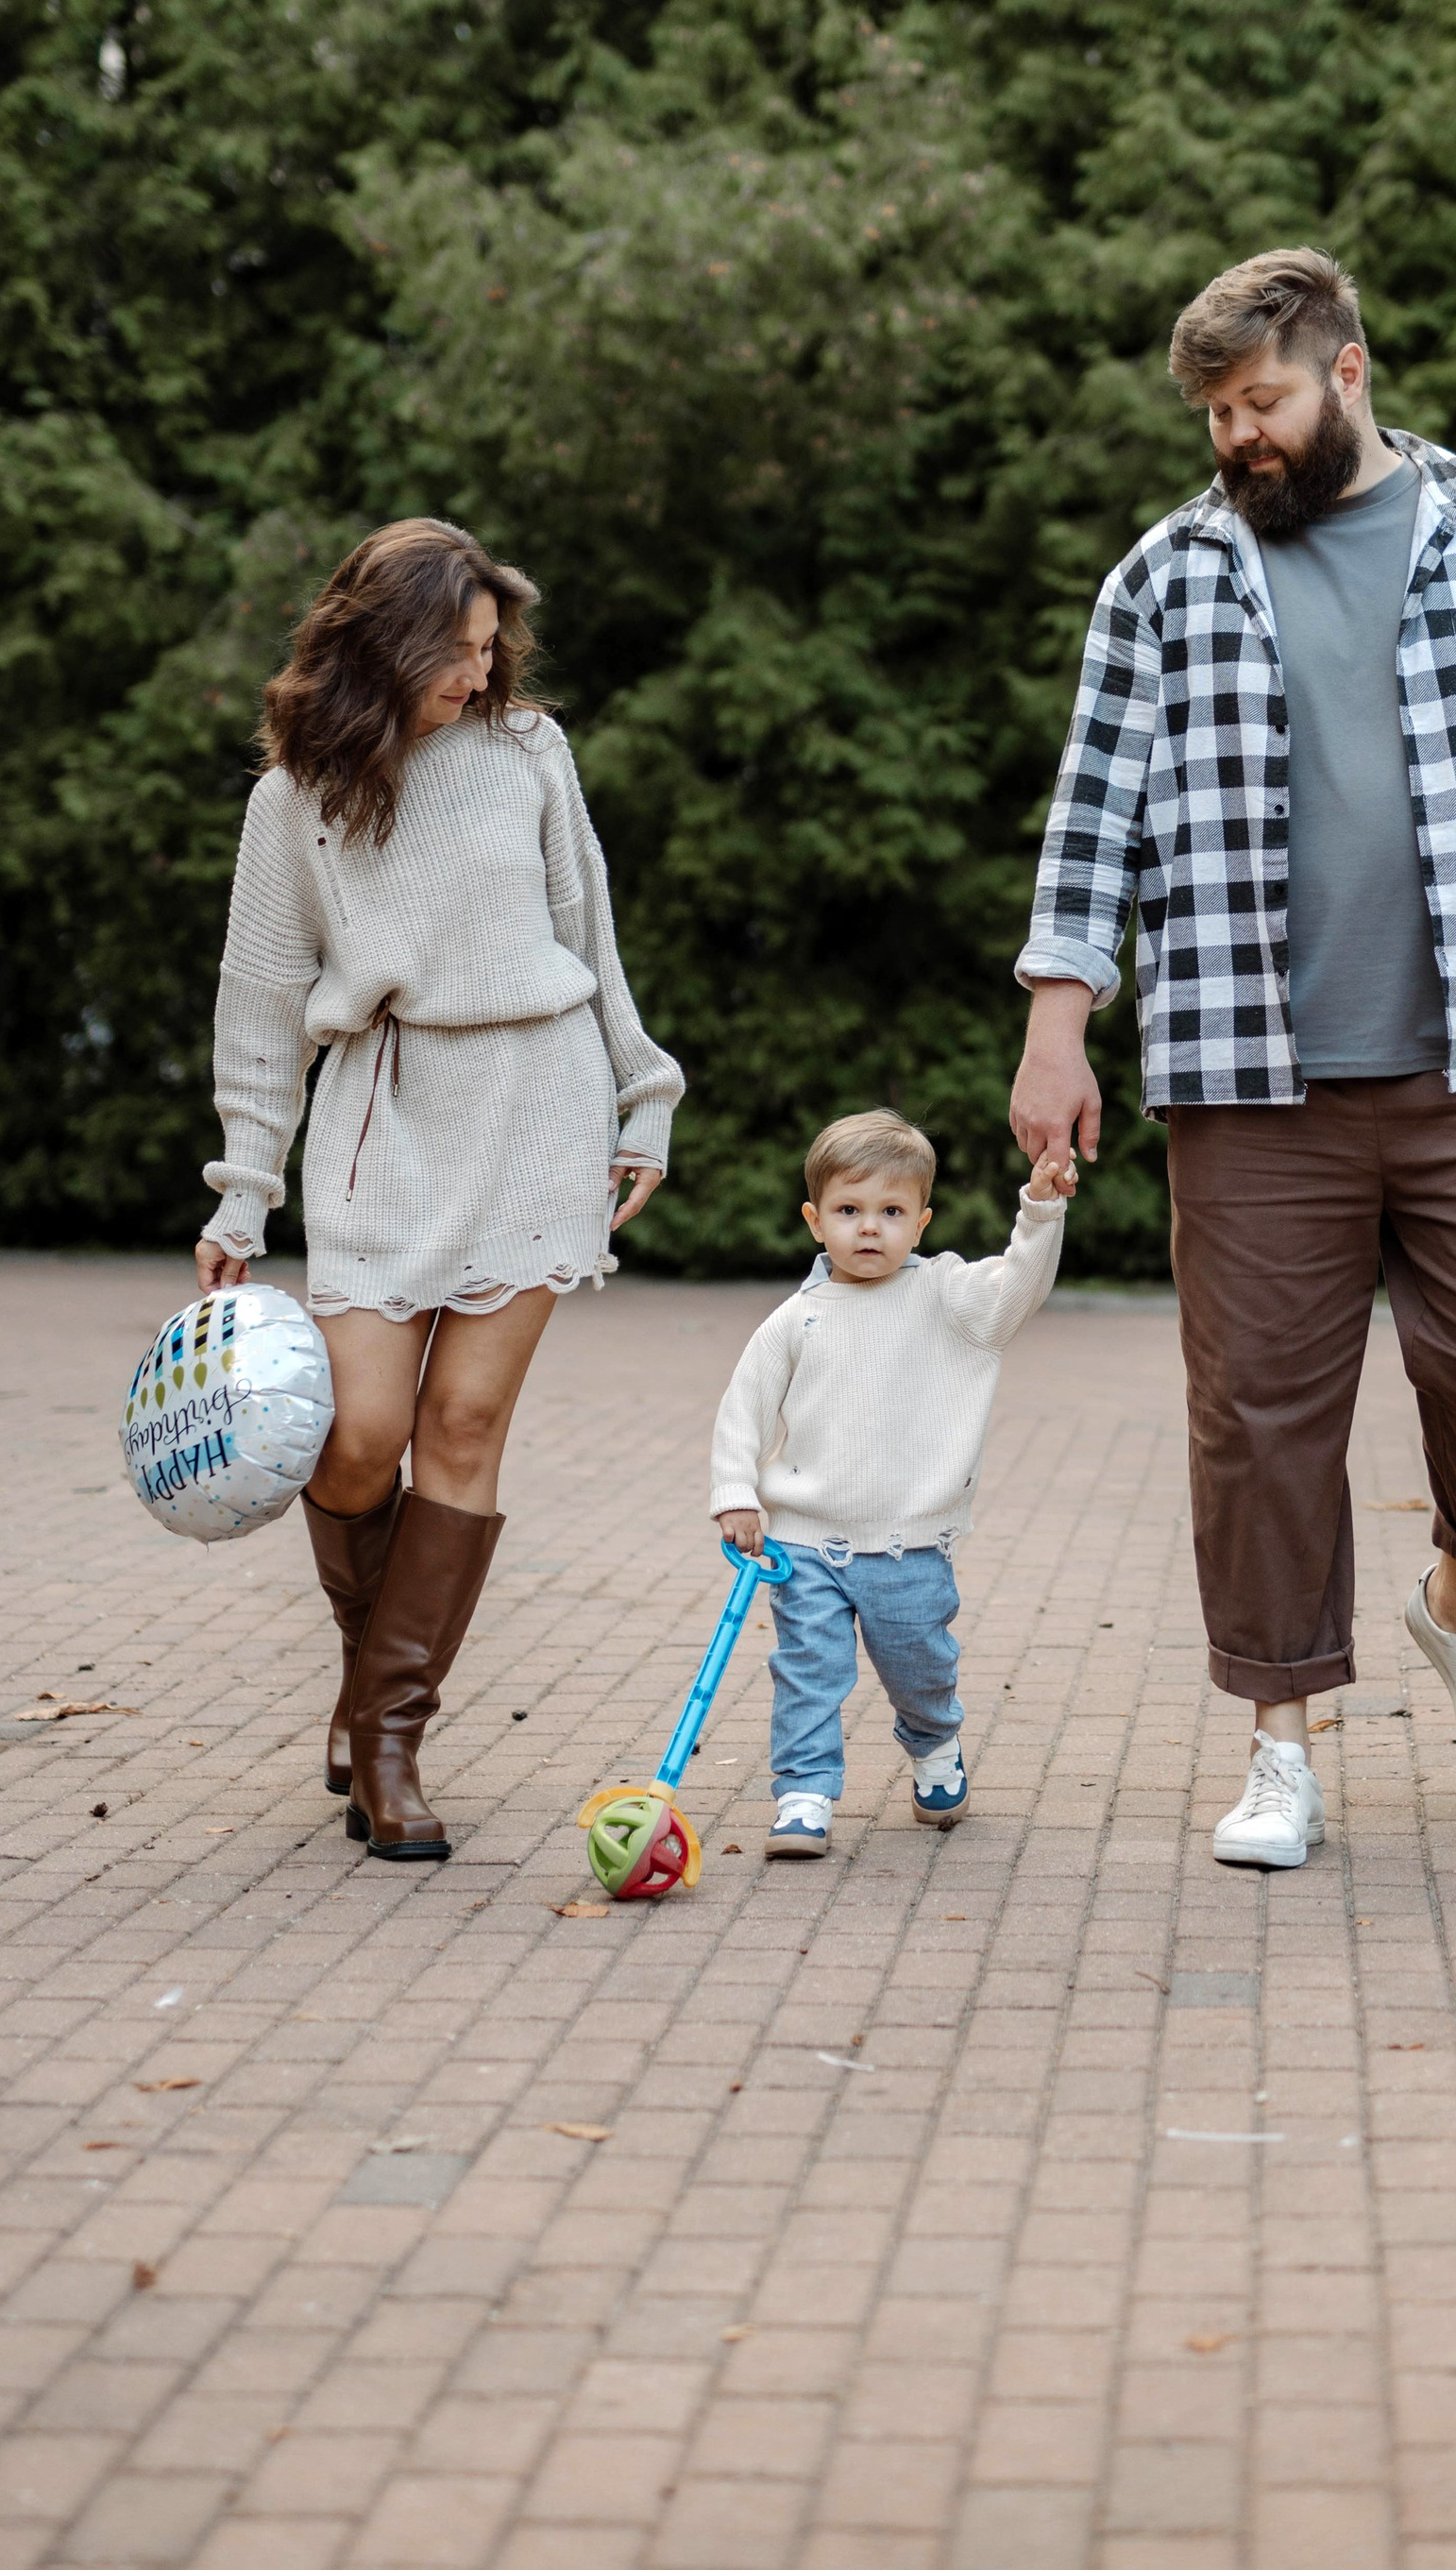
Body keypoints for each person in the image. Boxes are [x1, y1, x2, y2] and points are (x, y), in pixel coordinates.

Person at [1008, 249, 1456, 1865]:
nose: (1236, 440)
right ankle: (1280, 1746)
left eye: (1259, 403)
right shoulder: (1168, 577)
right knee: (1259, 1415)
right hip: (1248, 1072)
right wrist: (1061, 1029)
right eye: (1215, 416)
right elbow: (1093, 815)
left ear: (1349, 371)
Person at [195, 518, 681, 1863]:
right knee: (356, 1436)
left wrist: (642, 1096)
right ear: (387, 642)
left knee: (461, 1427)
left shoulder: (528, 750)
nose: (481, 675)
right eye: (459, 653)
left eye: (489, 649)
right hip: (384, 1117)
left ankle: (391, 1739)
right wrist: (244, 1189)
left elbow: (588, 928)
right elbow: (262, 1002)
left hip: (539, 1100)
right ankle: (366, 1691)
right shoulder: (295, 796)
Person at [709, 1110, 1074, 1858]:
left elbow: (1020, 1286)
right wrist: (737, 1495)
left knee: (920, 1666)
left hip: (910, 1545)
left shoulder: (948, 1298)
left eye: (890, 1212)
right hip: (805, 1542)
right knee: (808, 1672)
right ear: (814, 1221)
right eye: (848, 1211)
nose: (869, 1228)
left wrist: (1041, 1210)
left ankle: (935, 1744)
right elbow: (742, 1410)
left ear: (921, 1219)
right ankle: (804, 1793)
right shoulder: (796, 1319)